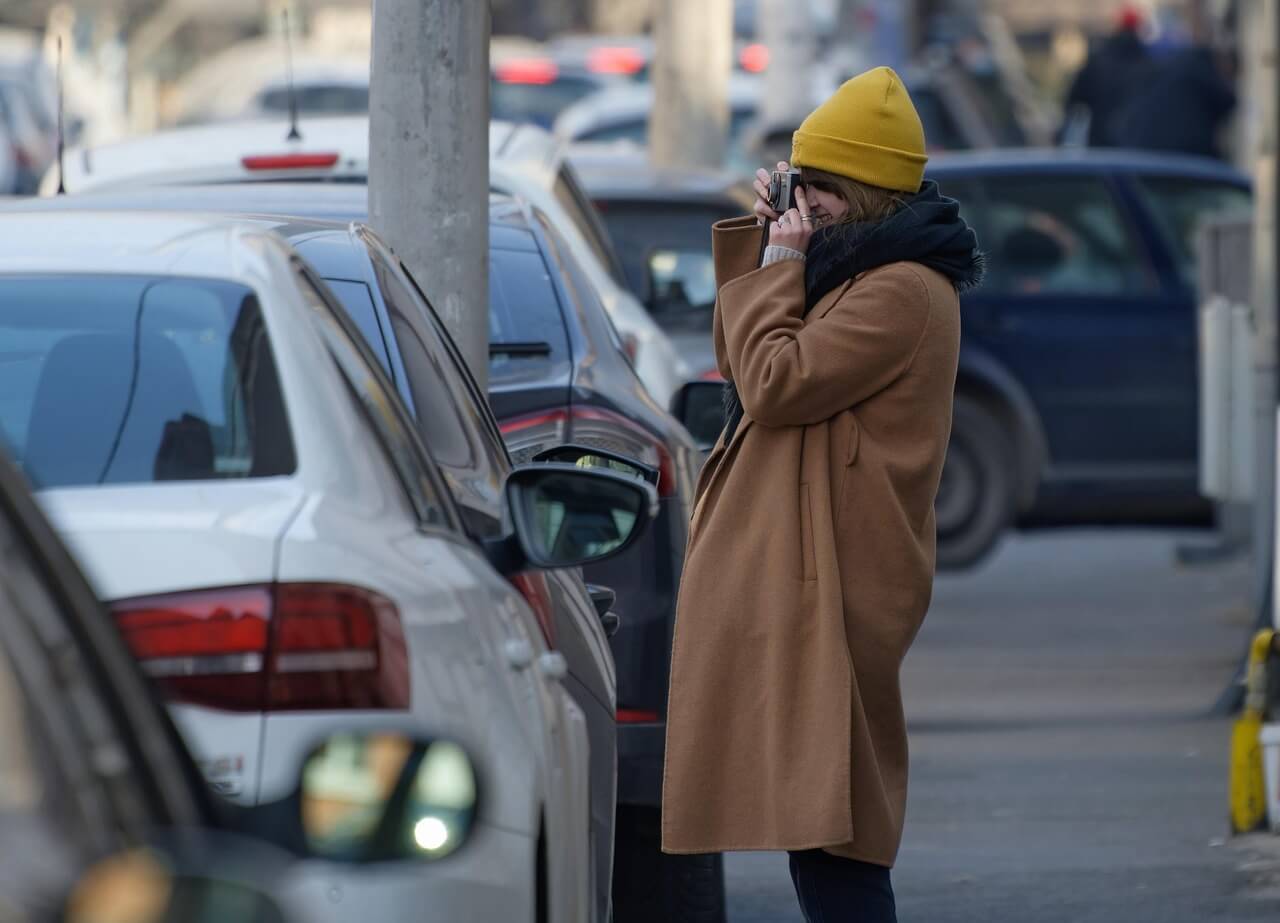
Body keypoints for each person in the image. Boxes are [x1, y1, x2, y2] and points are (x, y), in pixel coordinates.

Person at [661, 66, 982, 921]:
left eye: (825, 190)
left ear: (870, 192)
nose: (810, 205)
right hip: (812, 565)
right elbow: (743, 361)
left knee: (837, 822)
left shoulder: (901, 289)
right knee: (822, 825)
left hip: (841, 577)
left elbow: (773, 381)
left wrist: (781, 261)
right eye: (801, 186)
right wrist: (767, 248)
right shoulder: (851, 270)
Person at [1062, 6, 1149, 147]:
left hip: (1100, 146)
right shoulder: (1149, 65)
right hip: (1136, 147)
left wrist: (1061, 134)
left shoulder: (1097, 61)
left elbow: (1073, 100)